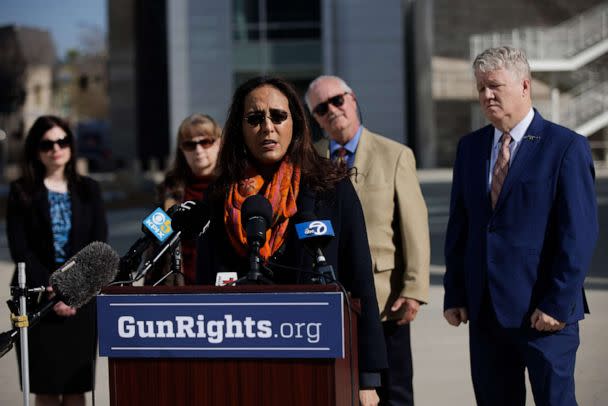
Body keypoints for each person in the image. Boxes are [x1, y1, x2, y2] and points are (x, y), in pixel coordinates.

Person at [196, 76, 388, 405]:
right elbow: (205, 289)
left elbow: (360, 282)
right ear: (240, 129)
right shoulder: (219, 198)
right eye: (255, 118)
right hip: (242, 367)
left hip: (319, 363)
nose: (267, 127)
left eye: (277, 116)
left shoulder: (331, 186)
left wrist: (366, 378)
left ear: (295, 124)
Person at [443, 46, 598, 406]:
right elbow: (460, 227)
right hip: (486, 315)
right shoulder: (470, 148)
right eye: (480, 87)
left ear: (525, 86)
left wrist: (557, 304)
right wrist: (456, 292)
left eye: (495, 86)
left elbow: (579, 234)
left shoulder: (565, 146)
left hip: (545, 315)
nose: (486, 95)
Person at [305, 75, 430, 406]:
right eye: (320, 108)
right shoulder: (308, 162)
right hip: (331, 299)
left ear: (353, 99)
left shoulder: (395, 155)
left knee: (395, 392)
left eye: (337, 100)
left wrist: (414, 290)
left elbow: (414, 228)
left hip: (385, 300)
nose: (332, 110)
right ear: (315, 119)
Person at [6, 115, 108, 406]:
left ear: (71, 146)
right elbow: (21, 250)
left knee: (76, 389)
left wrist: (72, 290)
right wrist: (54, 288)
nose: (55, 149)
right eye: (47, 144)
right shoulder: (21, 191)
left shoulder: (90, 189)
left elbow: (98, 245)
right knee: (46, 389)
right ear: (35, 151)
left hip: (81, 302)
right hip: (38, 301)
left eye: (62, 141)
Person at [150, 113, 221, 285]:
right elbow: (156, 245)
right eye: (190, 144)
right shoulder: (168, 190)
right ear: (181, 149)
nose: (198, 150)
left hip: (221, 287)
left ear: (219, 143)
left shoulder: (234, 186)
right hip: (178, 288)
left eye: (205, 142)